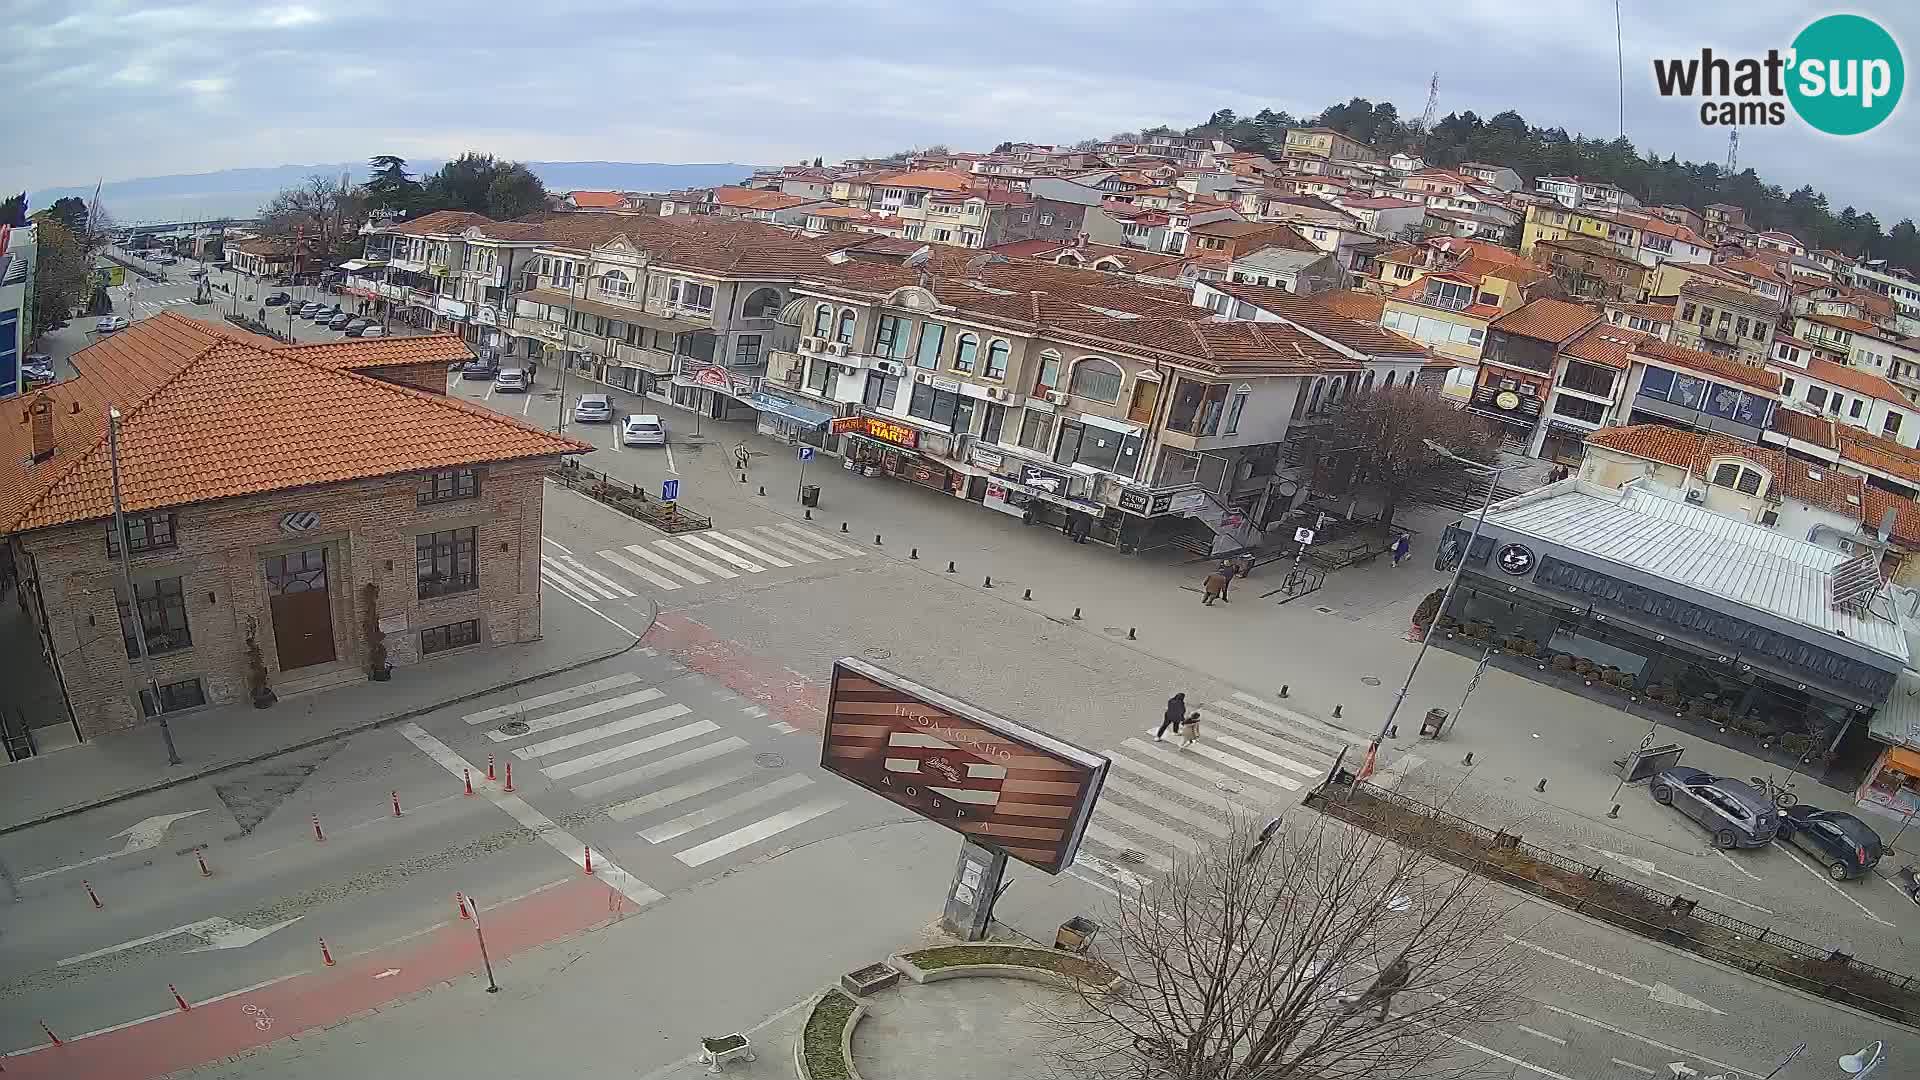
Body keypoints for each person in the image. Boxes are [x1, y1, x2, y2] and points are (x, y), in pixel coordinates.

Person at [1342, 955, 1412, 1021]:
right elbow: (1386, 972)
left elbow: (1402, 982)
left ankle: (1352, 1009)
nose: (1397, 961)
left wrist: (1390, 987)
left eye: (1400, 960)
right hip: (1381, 983)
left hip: (1387, 986)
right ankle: (1381, 1016)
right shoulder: (1395, 965)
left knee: (1369, 997)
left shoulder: (1404, 971)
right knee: (1382, 999)